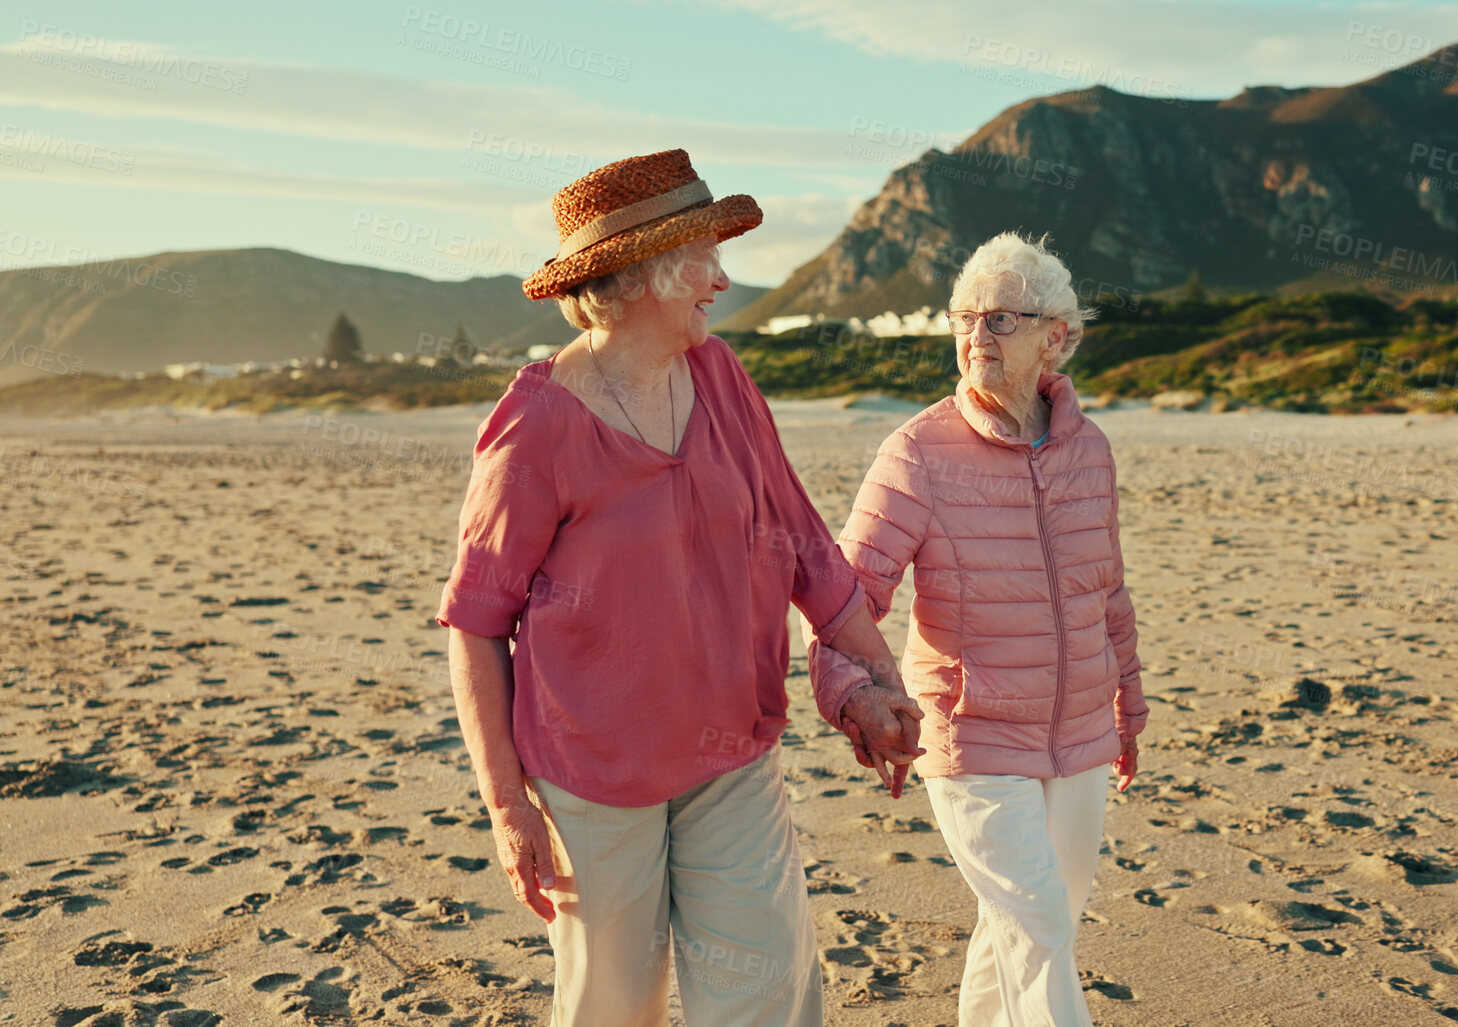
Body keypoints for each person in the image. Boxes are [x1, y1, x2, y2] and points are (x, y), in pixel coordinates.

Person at [437, 149, 922, 1027]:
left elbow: (806, 545)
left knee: (767, 987)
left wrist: (879, 684)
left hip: (732, 747)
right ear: (642, 276)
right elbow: (474, 624)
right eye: (704, 259)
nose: (722, 280)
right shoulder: (536, 427)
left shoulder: (723, 378)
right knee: (614, 1006)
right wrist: (508, 807)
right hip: (594, 769)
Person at [809, 231, 1148, 1027]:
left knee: (1021, 933)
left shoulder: (1088, 450)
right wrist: (855, 697)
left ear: (1055, 336)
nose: (974, 336)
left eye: (999, 319)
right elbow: (843, 598)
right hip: (969, 735)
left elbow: (1109, 594)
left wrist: (1126, 708)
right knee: (1040, 927)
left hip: (1078, 734)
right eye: (964, 317)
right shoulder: (917, 453)